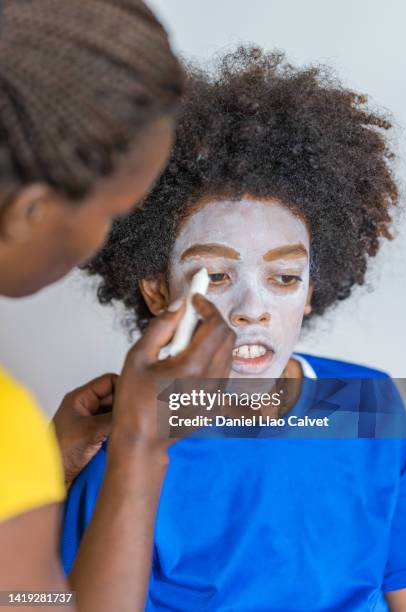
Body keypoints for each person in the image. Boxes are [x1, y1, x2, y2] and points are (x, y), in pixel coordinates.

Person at [61, 47, 406, 611]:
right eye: (216, 275)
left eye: (285, 276)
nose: (253, 308)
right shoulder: (124, 447)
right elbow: (45, 600)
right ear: (158, 292)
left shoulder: (369, 405)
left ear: (312, 288)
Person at [0, 2, 234, 611]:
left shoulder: (362, 408)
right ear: (28, 211)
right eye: (111, 213)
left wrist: (41, 469)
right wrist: (141, 442)